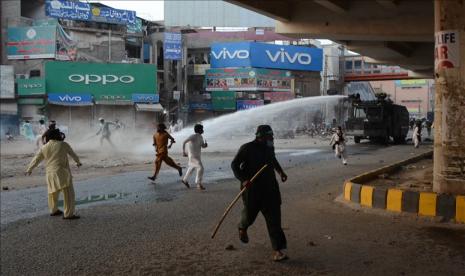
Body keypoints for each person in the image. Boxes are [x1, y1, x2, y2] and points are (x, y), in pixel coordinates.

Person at [231, 125, 288, 262]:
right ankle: (242, 227)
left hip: (270, 189)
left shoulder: (269, 147)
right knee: (250, 214)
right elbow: (234, 165)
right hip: (252, 189)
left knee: (274, 220)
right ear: (261, 137)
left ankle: (277, 250)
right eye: (270, 136)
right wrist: (244, 180)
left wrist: (280, 172)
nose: (272, 138)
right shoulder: (247, 148)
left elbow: (272, 160)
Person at [25, 129, 82, 219]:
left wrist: (29, 169)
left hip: (50, 173)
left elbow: (36, 159)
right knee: (68, 194)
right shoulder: (63, 144)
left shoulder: (44, 147)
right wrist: (78, 162)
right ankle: (68, 214)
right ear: (57, 135)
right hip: (62, 173)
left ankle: (54, 210)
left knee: (52, 193)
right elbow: (73, 154)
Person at [182, 124, 208, 190]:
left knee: (192, 168)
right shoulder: (193, 136)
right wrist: (184, 152)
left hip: (197, 156)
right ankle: (198, 183)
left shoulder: (201, 137)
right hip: (192, 156)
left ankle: (184, 180)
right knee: (200, 167)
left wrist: (205, 145)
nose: (203, 130)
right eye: (202, 129)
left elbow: (202, 146)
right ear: (199, 130)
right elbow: (184, 142)